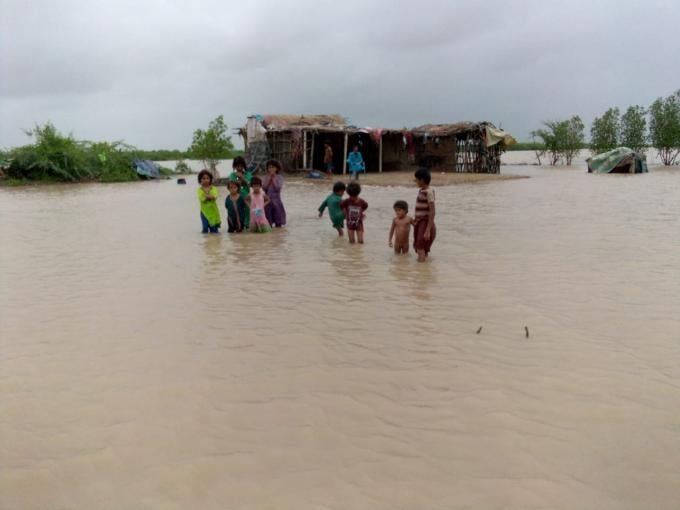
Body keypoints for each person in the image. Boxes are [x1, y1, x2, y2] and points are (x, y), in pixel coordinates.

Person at [413, 168, 436, 262]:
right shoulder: (422, 190)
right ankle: (424, 271)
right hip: (420, 221)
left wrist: (427, 230)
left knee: (420, 247)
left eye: (416, 180)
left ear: (422, 180)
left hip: (425, 222)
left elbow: (432, 211)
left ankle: (421, 271)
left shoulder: (429, 192)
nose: (415, 182)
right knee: (422, 247)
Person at [228, 156, 251, 229]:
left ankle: (247, 225)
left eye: (241, 166)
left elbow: (250, 184)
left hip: (247, 197)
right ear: (234, 166)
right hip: (236, 198)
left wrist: (242, 178)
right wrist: (239, 181)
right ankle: (238, 225)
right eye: (237, 166)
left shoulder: (248, 174)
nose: (239, 168)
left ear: (243, 166)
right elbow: (232, 186)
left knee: (247, 211)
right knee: (238, 212)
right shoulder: (232, 175)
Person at [262, 159, 286, 228]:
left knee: (278, 222)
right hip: (267, 202)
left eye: (273, 167)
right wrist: (269, 179)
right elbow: (264, 188)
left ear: (277, 168)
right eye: (269, 167)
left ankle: (277, 236)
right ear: (267, 169)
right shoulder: (266, 177)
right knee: (268, 222)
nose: (271, 169)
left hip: (277, 202)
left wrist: (273, 179)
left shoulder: (279, 177)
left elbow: (278, 188)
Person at [197, 169, 221, 234]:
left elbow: (214, 197)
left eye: (207, 178)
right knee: (205, 229)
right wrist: (208, 195)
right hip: (204, 212)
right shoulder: (199, 190)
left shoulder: (214, 188)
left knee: (214, 230)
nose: (205, 180)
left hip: (213, 212)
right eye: (203, 178)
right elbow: (202, 199)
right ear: (200, 180)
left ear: (210, 179)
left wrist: (206, 195)